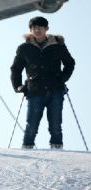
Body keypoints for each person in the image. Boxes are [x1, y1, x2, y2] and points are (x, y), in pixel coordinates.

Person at [10, 16, 75, 150]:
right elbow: (16, 69)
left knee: (55, 124)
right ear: (31, 29)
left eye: (40, 27)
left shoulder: (58, 46)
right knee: (31, 125)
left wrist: (62, 78)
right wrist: (18, 86)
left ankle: (57, 149)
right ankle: (27, 148)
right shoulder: (24, 48)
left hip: (55, 89)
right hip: (34, 90)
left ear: (46, 29)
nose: (37, 30)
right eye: (34, 27)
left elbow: (70, 63)